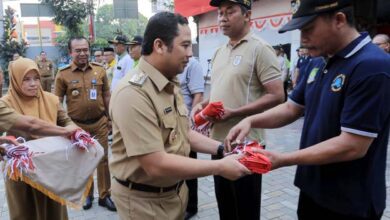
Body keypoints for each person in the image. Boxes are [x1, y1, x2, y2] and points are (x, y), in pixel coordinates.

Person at [226, 0, 390, 219]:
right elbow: (292, 108)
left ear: (339, 20)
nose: (302, 39)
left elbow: (353, 145)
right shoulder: (318, 61)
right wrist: (250, 121)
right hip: (312, 189)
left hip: (350, 201)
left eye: (308, 29)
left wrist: (283, 158)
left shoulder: (372, 66)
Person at [109, 11, 250, 220]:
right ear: (159, 46)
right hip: (144, 204)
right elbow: (155, 164)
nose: (190, 53)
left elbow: (183, 132)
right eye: (184, 45)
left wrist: (222, 148)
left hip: (173, 194)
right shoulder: (133, 93)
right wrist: (219, 167)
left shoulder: (169, 82)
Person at [191, 1, 284, 219]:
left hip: (247, 145)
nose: (222, 18)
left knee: (246, 210)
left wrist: (236, 113)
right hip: (219, 144)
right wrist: (202, 104)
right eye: (220, 13)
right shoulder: (218, 53)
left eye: (230, 12)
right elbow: (219, 92)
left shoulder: (260, 49)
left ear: (247, 15)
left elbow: (278, 95)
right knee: (226, 206)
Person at [2, 57, 79, 220]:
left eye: (36, 78)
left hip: (51, 167)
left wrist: (74, 130)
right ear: (15, 80)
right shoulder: (6, 103)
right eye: (26, 79)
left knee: (54, 210)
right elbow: (31, 125)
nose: (34, 84)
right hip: (22, 171)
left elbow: (65, 120)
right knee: (25, 211)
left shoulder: (51, 99)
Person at [54, 36, 116, 211]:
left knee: (103, 159)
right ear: (70, 52)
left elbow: (107, 96)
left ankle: (105, 195)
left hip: (100, 123)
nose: (82, 53)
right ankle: (88, 195)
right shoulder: (63, 74)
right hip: (77, 126)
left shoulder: (99, 70)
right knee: (83, 160)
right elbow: (56, 102)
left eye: (85, 50)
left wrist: (110, 118)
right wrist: (63, 126)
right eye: (78, 50)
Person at [177, 57, 205, 220]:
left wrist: (191, 118)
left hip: (186, 123)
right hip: (172, 124)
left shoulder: (193, 64)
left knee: (189, 166)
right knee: (178, 166)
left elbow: (198, 94)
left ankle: (191, 206)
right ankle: (181, 201)